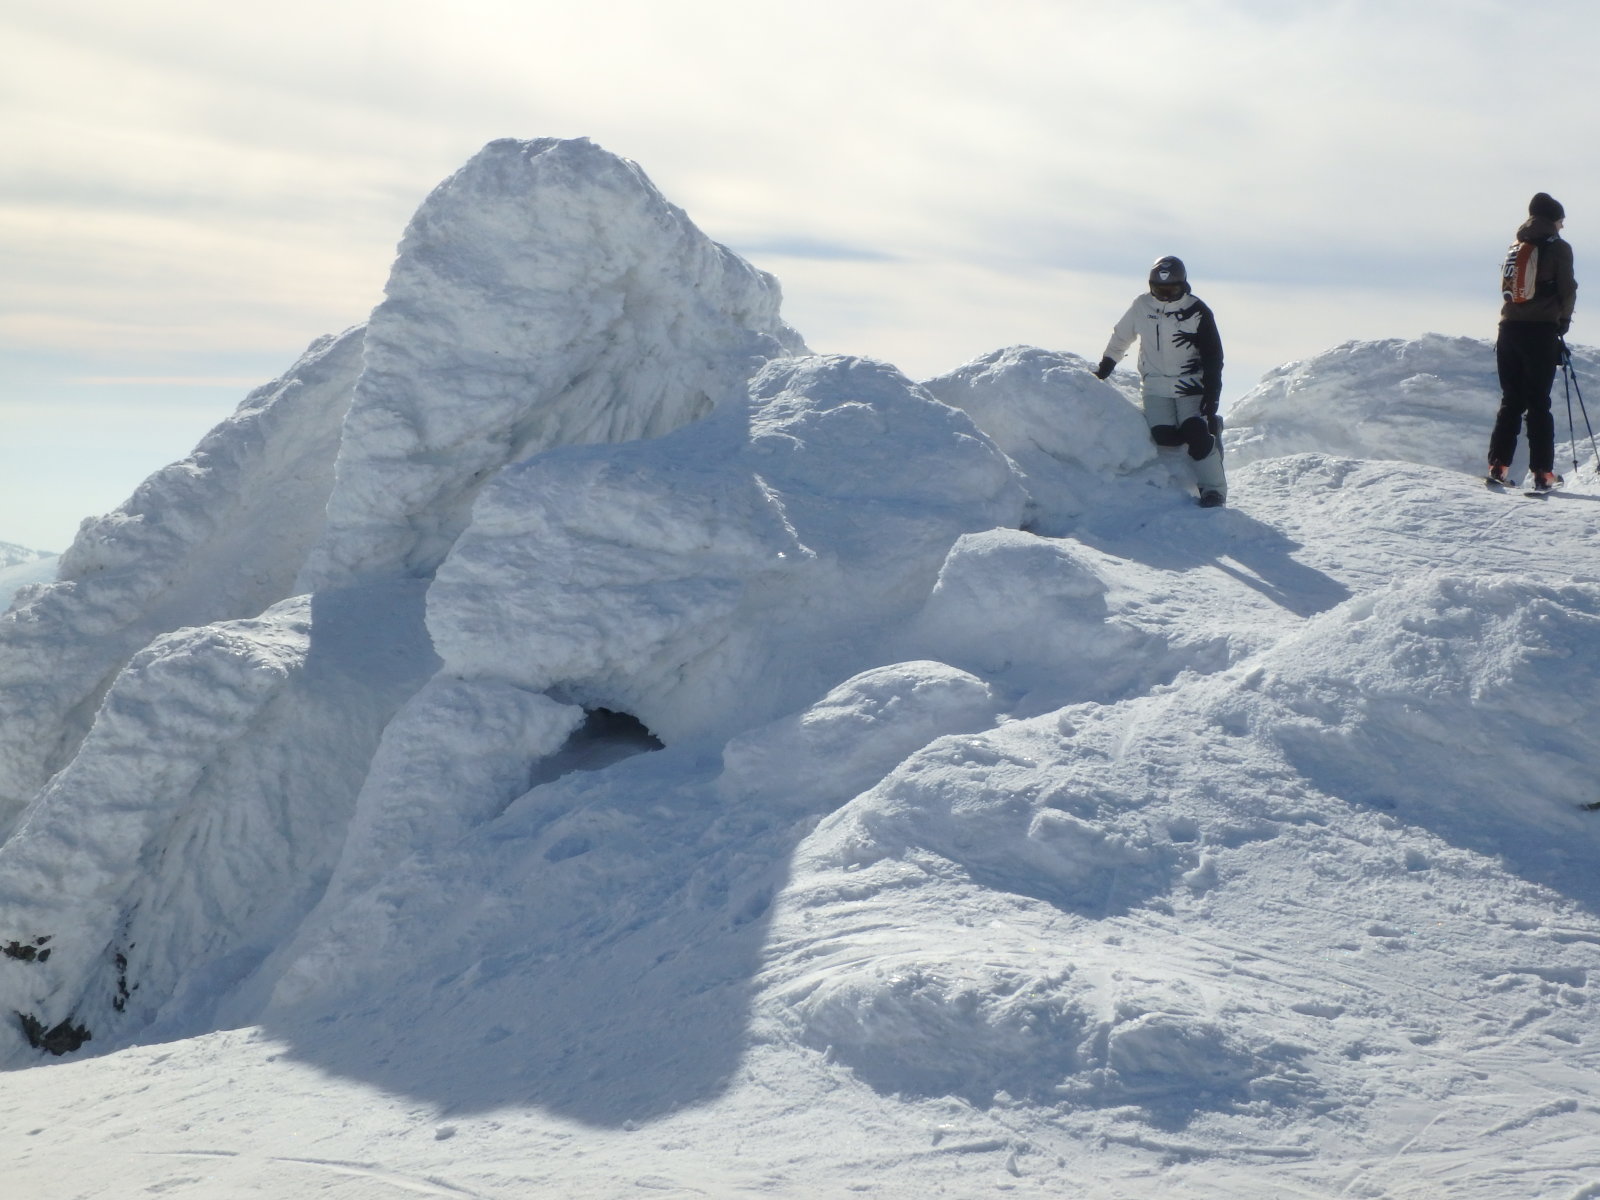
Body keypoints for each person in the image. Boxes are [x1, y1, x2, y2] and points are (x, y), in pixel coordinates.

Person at [1094, 256, 1227, 507]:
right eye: (1159, 289)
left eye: (1172, 290)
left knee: (1195, 432)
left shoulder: (1197, 310)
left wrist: (1212, 396)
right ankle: (1209, 435)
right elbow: (1121, 336)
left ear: (1183, 285)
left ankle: (1213, 490)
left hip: (1190, 385)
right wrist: (1106, 366)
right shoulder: (1142, 306)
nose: (1165, 295)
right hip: (1155, 385)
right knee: (1166, 437)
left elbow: (1213, 357)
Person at [1487, 192, 1577, 491]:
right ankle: (1542, 473)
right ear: (1553, 219)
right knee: (1538, 402)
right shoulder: (1559, 248)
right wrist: (1562, 322)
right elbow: (1567, 289)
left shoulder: (1516, 246)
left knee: (1511, 400)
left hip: (1508, 329)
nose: (1562, 226)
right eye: (1561, 220)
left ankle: (1498, 466)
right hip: (1540, 332)